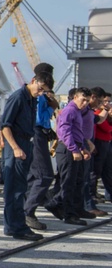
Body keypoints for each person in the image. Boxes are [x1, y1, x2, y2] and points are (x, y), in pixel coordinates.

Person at [0, 70, 55, 241]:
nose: (41, 93)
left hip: (26, 143)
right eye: (41, 88)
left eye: (44, 91)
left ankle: (16, 225)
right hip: (17, 144)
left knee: (21, 187)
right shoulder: (18, 97)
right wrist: (15, 147)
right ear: (33, 80)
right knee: (14, 189)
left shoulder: (33, 100)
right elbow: (5, 125)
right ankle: (15, 227)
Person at [45, 88, 92, 226]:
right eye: (83, 100)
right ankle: (65, 211)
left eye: (87, 101)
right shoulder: (69, 111)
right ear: (75, 97)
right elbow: (64, 131)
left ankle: (65, 208)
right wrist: (74, 149)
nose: (85, 103)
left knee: (75, 181)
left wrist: (82, 148)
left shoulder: (77, 111)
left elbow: (77, 133)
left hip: (74, 147)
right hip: (67, 149)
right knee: (68, 183)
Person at [23, 63, 58, 231]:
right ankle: (28, 211)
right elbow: (39, 117)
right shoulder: (39, 96)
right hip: (37, 132)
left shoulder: (36, 94)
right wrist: (52, 107)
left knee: (33, 176)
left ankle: (26, 210)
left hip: (37, 133)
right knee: (45, 175)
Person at [83, 88, 108, 217]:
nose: (100, 104)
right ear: (93, 97)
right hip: (82, 146)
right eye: (99, 101)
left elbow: (98, 120)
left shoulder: (89, 111)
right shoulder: (82, 111)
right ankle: (87, 205)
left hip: (89, 146)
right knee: (84, 178)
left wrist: (106, 110)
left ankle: (86, 205)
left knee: (85, 177)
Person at [92, 91, 112, 204]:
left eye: (109, 102)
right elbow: (106, 128)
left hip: (107, 143)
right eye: (105, 101)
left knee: (107, 170)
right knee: (96, 170)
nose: (107, 104)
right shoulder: (98, 114)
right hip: (100, 143)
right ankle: (92, 193)